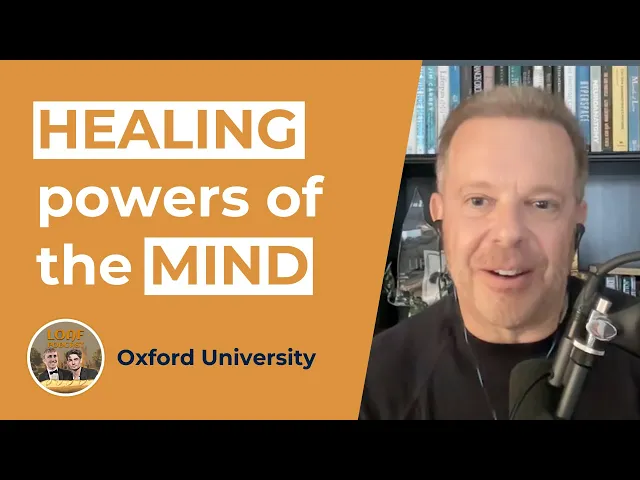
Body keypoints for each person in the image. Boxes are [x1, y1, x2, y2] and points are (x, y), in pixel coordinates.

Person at [359, 85, 640, 420]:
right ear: (440, 215)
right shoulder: (372, 381)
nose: (509, 233)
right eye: (478, 201)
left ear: (577, 220)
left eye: (541, 204)